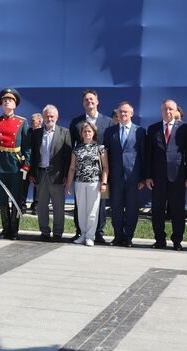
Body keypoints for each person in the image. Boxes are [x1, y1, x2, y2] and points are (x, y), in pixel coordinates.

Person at [0, 88, 31, 240]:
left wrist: (26, 165)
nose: (7, 102)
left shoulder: (22, 122)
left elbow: (27, 146)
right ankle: (5, 228)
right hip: (0, 164)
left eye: (10, 100)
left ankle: (14, 230)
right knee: (2, 198)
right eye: (4, 100)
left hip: (15, 165)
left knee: (15, 198)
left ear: (15, 104)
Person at [145, 99, 187, 251]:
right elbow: (148, 155)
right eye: (165, 109)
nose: (168, 112)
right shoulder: (153, 129)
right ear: (161, 111)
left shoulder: (185, 128)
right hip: (157, 178)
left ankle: (177, 240)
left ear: (176, 111)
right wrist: (148, 176)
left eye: (171, 109)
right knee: (158, 210)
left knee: (178, 210)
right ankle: (159, 239)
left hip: (178, 177)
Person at [69, 89, 114, 244]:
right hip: (82, 175)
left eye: (92, 99)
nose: (89, 102)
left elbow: (111, 147)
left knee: (100, 204)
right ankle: (80, 232)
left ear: (97, 101)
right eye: (86, 100)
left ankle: (98, 233)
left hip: (101, 174)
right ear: (83, 103)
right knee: (81, 205)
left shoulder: (108, 122)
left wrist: (106, 177)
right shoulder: (76, 122)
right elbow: (71, 147)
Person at [103, 101, 146, 247]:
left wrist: (142, 178)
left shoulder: (140, 131)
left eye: (125, 112)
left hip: (133, 178)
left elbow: (143, 155)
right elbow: (105, 156)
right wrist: (105, 177)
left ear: (132, 113)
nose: (123, 114)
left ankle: (128, 237)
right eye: (120, 112)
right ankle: (117, 236)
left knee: (132, 208)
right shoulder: (110, 132)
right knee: (116, 208)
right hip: (115, 178)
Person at [29, 105, 71, 241]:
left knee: (58, 206)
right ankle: (44, 231)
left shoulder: (64, 132)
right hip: (41, 174)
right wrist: (31, 173)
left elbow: (67, 156)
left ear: (57, 117)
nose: (49, 118)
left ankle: (58, 232)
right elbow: (33, 155)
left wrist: (66, 175)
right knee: (41, 205)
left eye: (52, 116)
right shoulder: (36, 133)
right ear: (43, 118)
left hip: (57, 175)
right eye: (47, 116)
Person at [65, 122, 109, 246]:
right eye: (85, 131)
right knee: (81, 210)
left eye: (89, 131)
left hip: (94, 183)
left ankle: (90, 236)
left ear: (94, 133)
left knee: (92, 211)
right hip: (79, 183)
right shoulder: (77, 149)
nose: (87, 133)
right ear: (81, 134)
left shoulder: (100, 148)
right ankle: (83, 234)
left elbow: (105, 167)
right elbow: (72, 168)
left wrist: (104, 182)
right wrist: (69, 183)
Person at [21, 113, 43, 215]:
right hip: (27, 162)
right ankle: (22, 205)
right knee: (24, 185)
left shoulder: (43, 132)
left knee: (37, 185)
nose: (31, 122)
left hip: (38, 163)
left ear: (40, 121)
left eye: (33, 120)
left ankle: (36, 206)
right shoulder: (27, 131)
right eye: (31, 120)